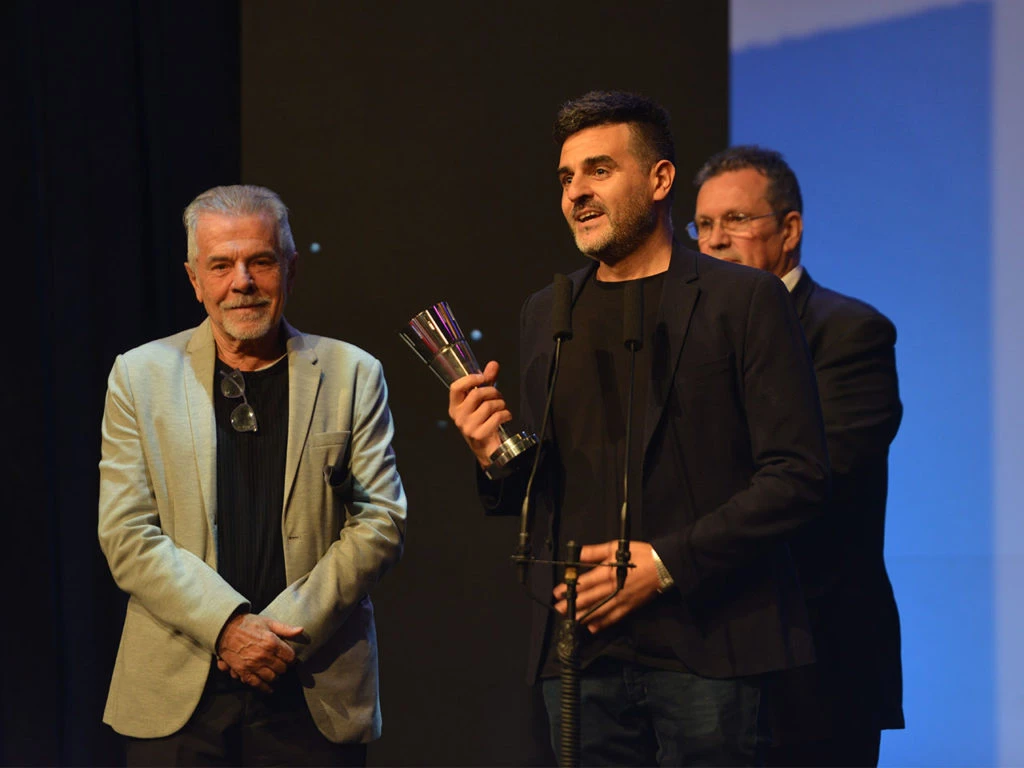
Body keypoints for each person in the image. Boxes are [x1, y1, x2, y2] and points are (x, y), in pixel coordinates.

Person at [448, 91, 829, 765]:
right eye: (566, 178)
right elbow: (540, 489)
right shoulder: (549, 310)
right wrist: (493, 454)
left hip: (714, 649)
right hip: (578, 655)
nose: (576, 194)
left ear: (660, 180)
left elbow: (796, 477)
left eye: (598, 170)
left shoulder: (744, 300)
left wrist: (664, 565)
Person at [98, 185, 407, 766]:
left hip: (310, 689)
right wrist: (227, 627)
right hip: (177, 692)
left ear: (291, 269)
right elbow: (126, 534)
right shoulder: (138, 377)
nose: (242, 281)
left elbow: (380, 522)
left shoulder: (353, 374)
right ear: (194, 279)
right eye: (221, 265)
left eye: (260, 261)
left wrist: (275, 637)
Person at [691, 145, 904, 766]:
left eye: (737, 220)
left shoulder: (851, 333)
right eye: (704, 225)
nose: (716, 241)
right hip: (707, 661)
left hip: (817, 661)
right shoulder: (686, 341)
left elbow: (818, 480)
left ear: (790, 230)